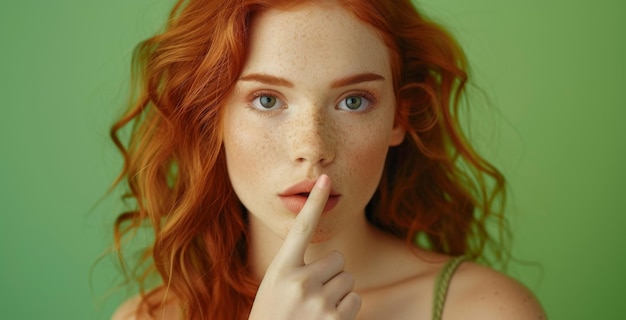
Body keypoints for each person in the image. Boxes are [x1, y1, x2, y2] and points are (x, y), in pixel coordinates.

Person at [109, 0, 546, 319]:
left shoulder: (487, 311)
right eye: (266, 99)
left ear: (400, 116)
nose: (314, 147)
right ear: (212, 118)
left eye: (354, 101)